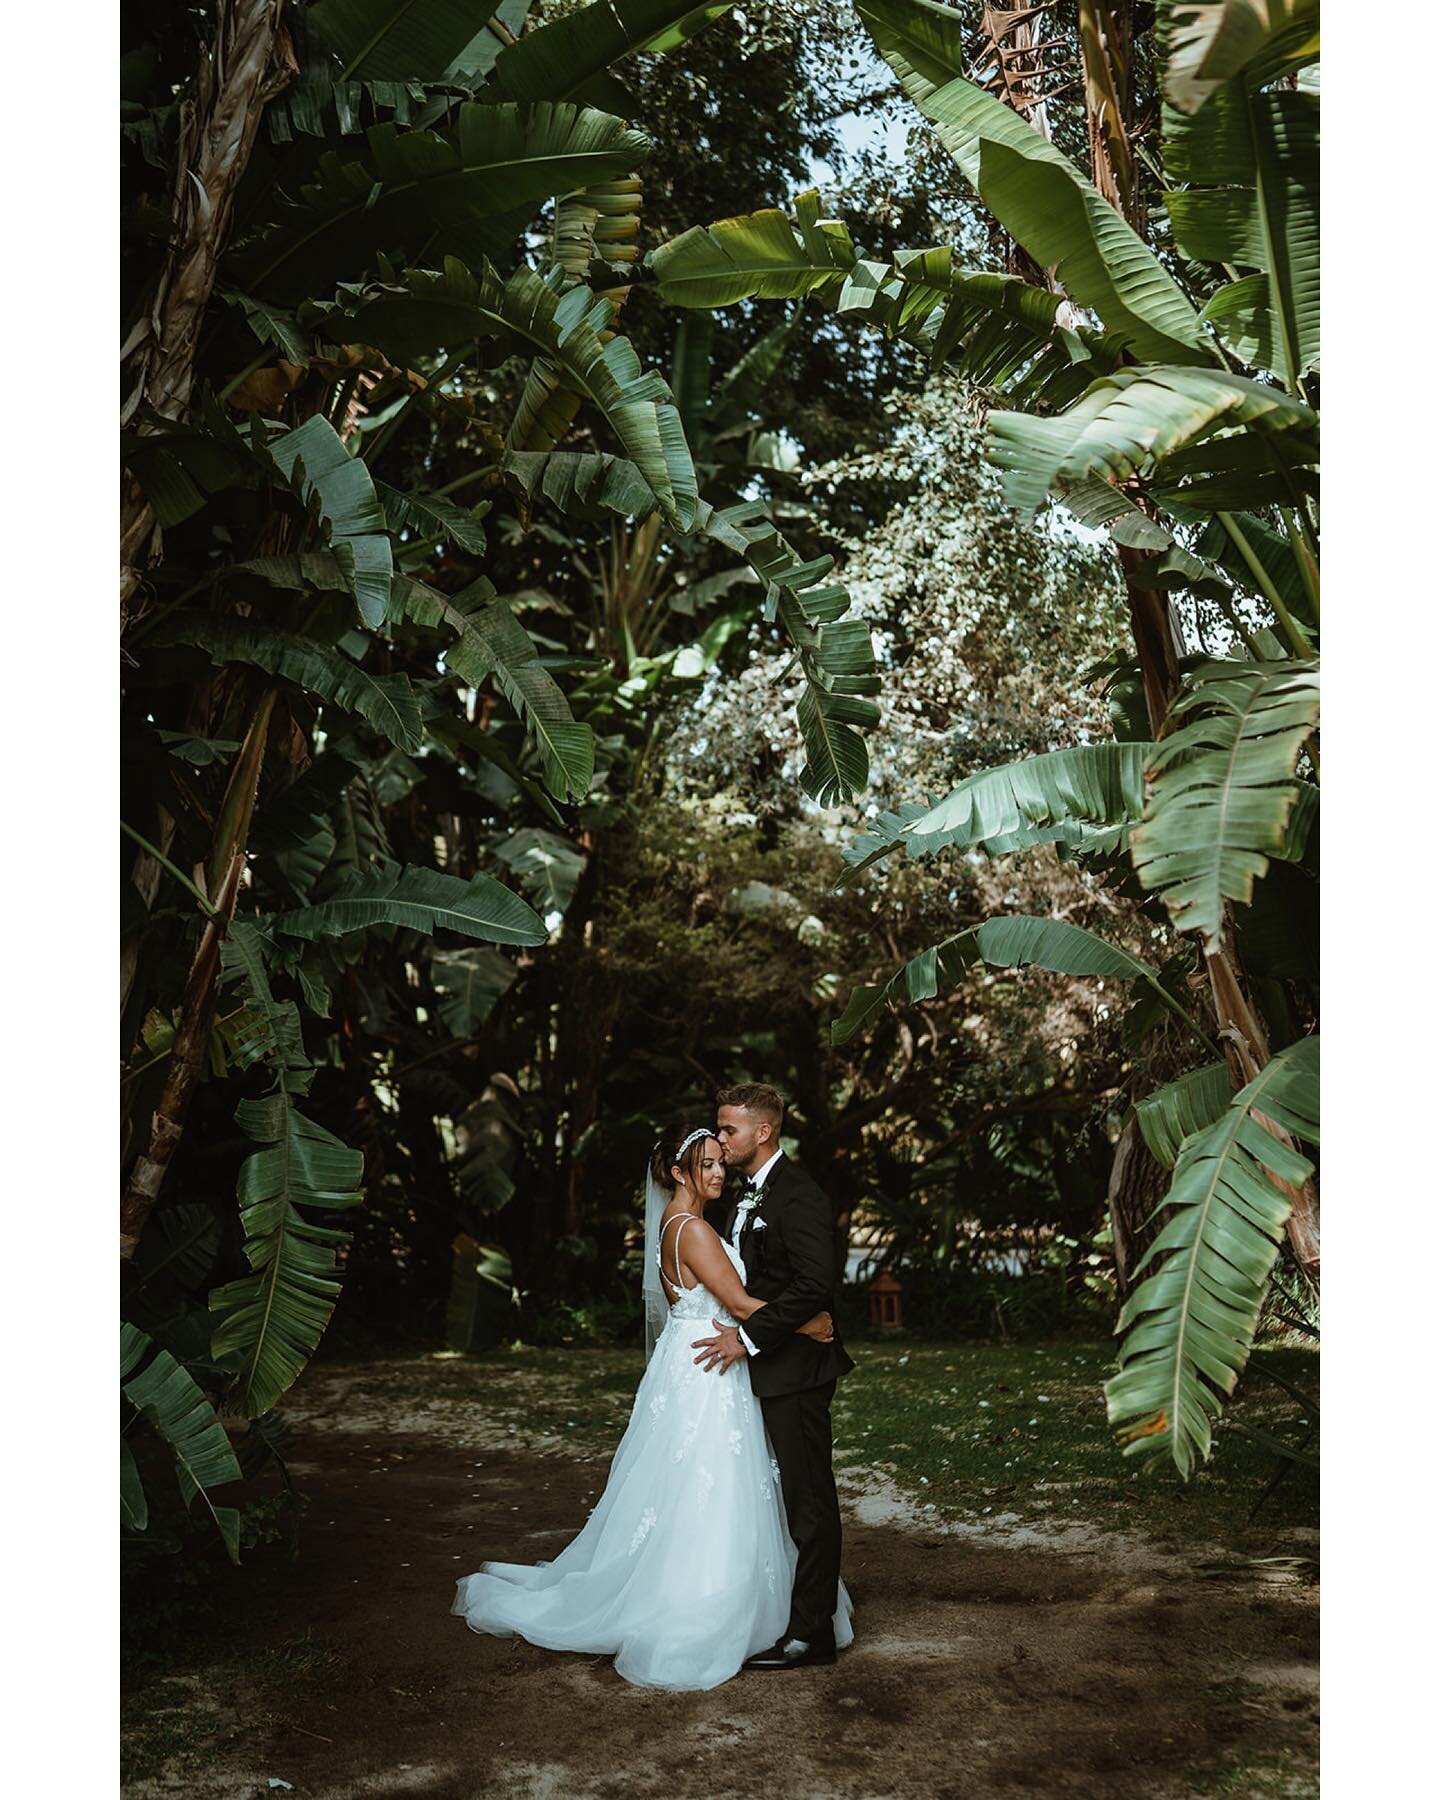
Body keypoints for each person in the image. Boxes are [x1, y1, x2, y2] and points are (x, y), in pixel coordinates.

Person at [450, 1123, 852, 1691]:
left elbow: (692, 1306)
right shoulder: (695, 1234)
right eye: (706, 1164)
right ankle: (703, 1603)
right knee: (713, 1491)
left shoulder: (673, 1227)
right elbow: (736, 1302)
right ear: (678, 1174)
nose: (718, 1173)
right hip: (713, 1375)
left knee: (683, 1489)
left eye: (720, 1162)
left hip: (689, 1367)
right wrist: (807, 1321)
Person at [693, 1083, 856, 1670]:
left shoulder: (798, 1195)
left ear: (764, 1132)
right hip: (769, 1363)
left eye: (729, 1129)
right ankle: (790, 1608)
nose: (720, 1138)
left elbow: (816, 1284)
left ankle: (812, 1635)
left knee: (809, 1500)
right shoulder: (748, 1195)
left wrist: (749, 1335)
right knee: (779, 1497)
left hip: (796, 1371)